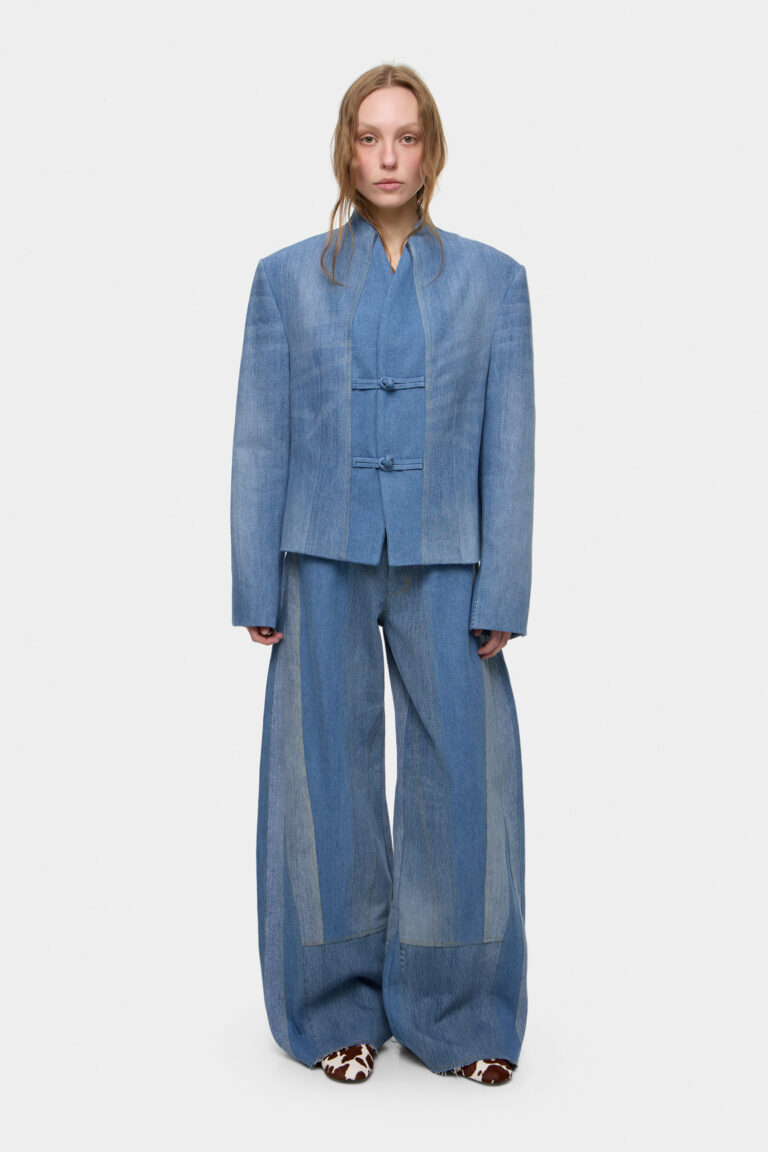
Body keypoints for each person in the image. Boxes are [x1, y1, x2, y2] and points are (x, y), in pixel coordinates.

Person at [230, 63, 535, 1087]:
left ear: (432, 150)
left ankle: (461, 1010)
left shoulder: (494, 280)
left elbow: (512, 443)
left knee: (466, 780)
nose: (389, 157)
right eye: (370, 137)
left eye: (407, 137)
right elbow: (260, 436)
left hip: (451, 557)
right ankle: (333, 1010)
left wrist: (506, 585)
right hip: (319, 552)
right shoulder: (285, 278)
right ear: (346, 151)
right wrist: (254, 580)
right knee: (322, 776)